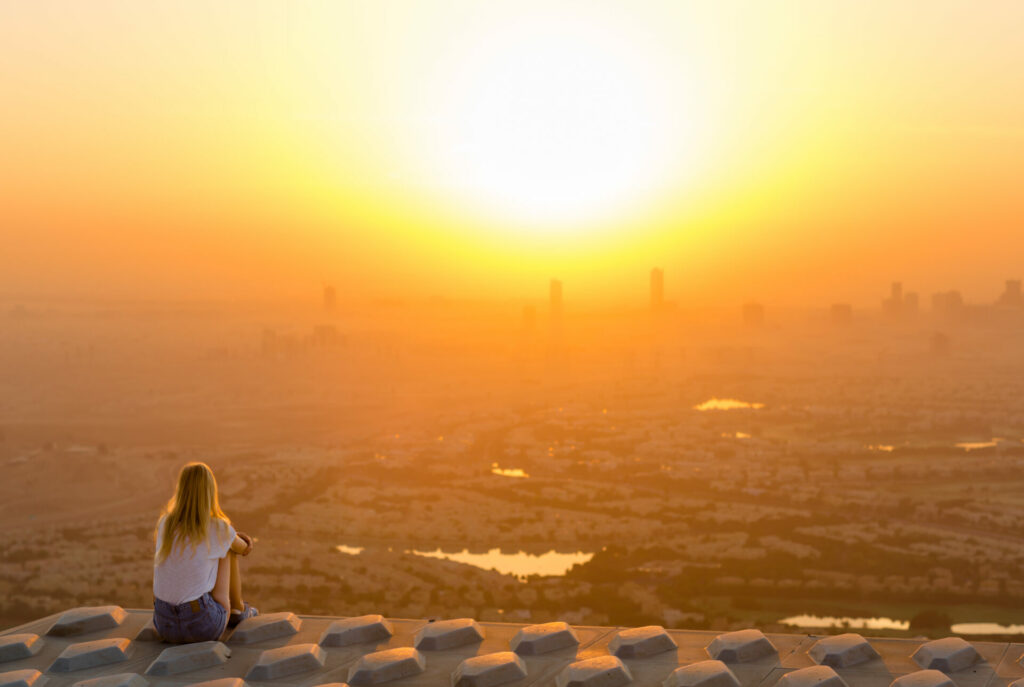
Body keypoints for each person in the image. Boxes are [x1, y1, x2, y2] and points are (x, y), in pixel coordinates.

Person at [152, 462, 258, 642]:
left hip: (164, 625)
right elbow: (243, 548)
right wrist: (235, 538)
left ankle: (236, 610)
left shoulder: (165, 524)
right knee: (227, 549)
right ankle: (238, 610)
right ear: (210, 492)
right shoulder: (218, 528)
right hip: (202, 625)